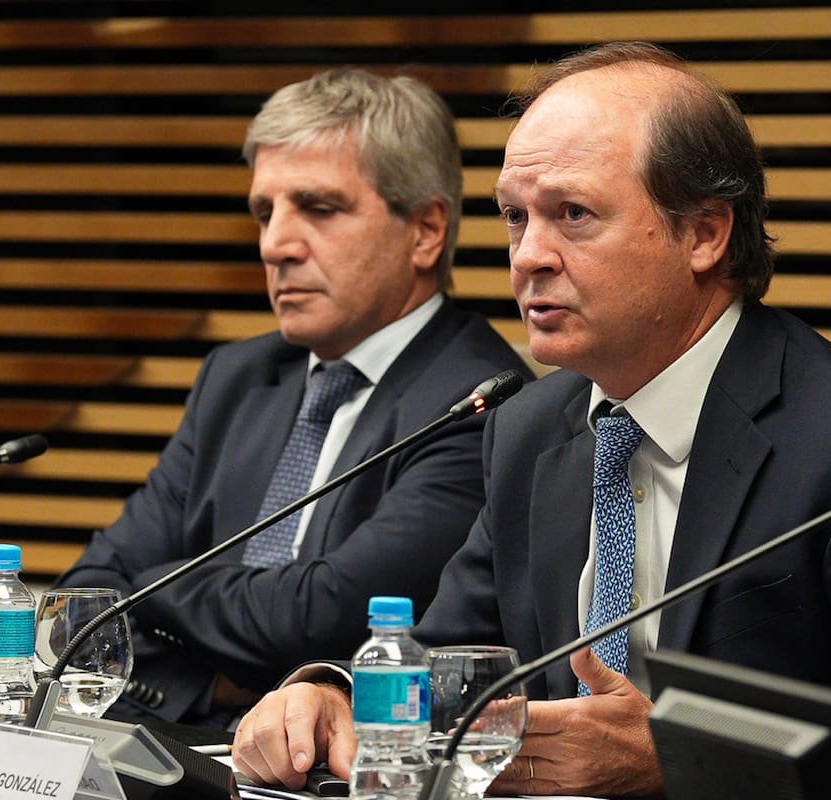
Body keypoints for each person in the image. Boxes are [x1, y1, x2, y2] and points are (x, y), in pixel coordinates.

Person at [232, 43, 831, 799]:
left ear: (704, 233)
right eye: (515, 217)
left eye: (573, 214)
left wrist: (675, 763)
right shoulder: (528, 427)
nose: (528, 256)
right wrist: (335, 695)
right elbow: (449, 669)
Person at [54, 68, 528, 725]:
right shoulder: (235, 379)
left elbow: (318, 618)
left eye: (319, 209)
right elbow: (81, 604)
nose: (275, 244)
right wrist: (207, 687)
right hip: (178, 750)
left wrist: (148, 588)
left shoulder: (481, 403)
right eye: (264, 213)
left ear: (425, 231)